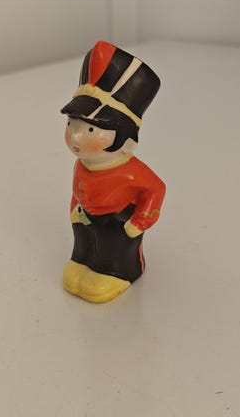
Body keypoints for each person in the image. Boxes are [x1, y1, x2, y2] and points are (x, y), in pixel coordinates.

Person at [60, 41, 166, 303]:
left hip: (117, 222)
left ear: (123, 137)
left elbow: (156, 189)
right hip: (85, 215)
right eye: (72, 124)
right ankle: (82, 261)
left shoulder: (130, 171)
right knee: (83, 244)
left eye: (91, 129)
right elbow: (78, 187)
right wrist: (75, 206)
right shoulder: (82, 163)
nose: (75, 136)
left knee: (112, 249)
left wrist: (138, 222)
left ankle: (115, 273)